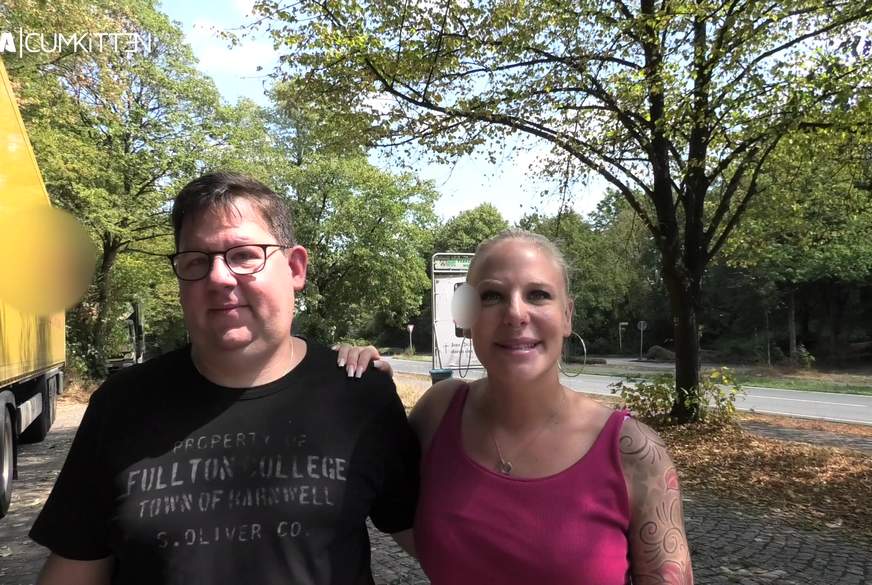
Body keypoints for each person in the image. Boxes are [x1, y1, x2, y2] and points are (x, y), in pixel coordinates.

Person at [29, 172, 419, 585]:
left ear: (295, 268)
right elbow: (75, 566)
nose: (217, 277)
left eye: (244, 255)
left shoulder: (359, 395)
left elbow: (442, 542)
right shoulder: (121, 404)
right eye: (196, 261)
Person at [341, 230, 693, 584]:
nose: (515, 314)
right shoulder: (438, 412)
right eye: (491, 296)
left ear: (567, 316)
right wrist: (361, 387)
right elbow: (390, 508)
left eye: (538, 294)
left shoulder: (633, 452)